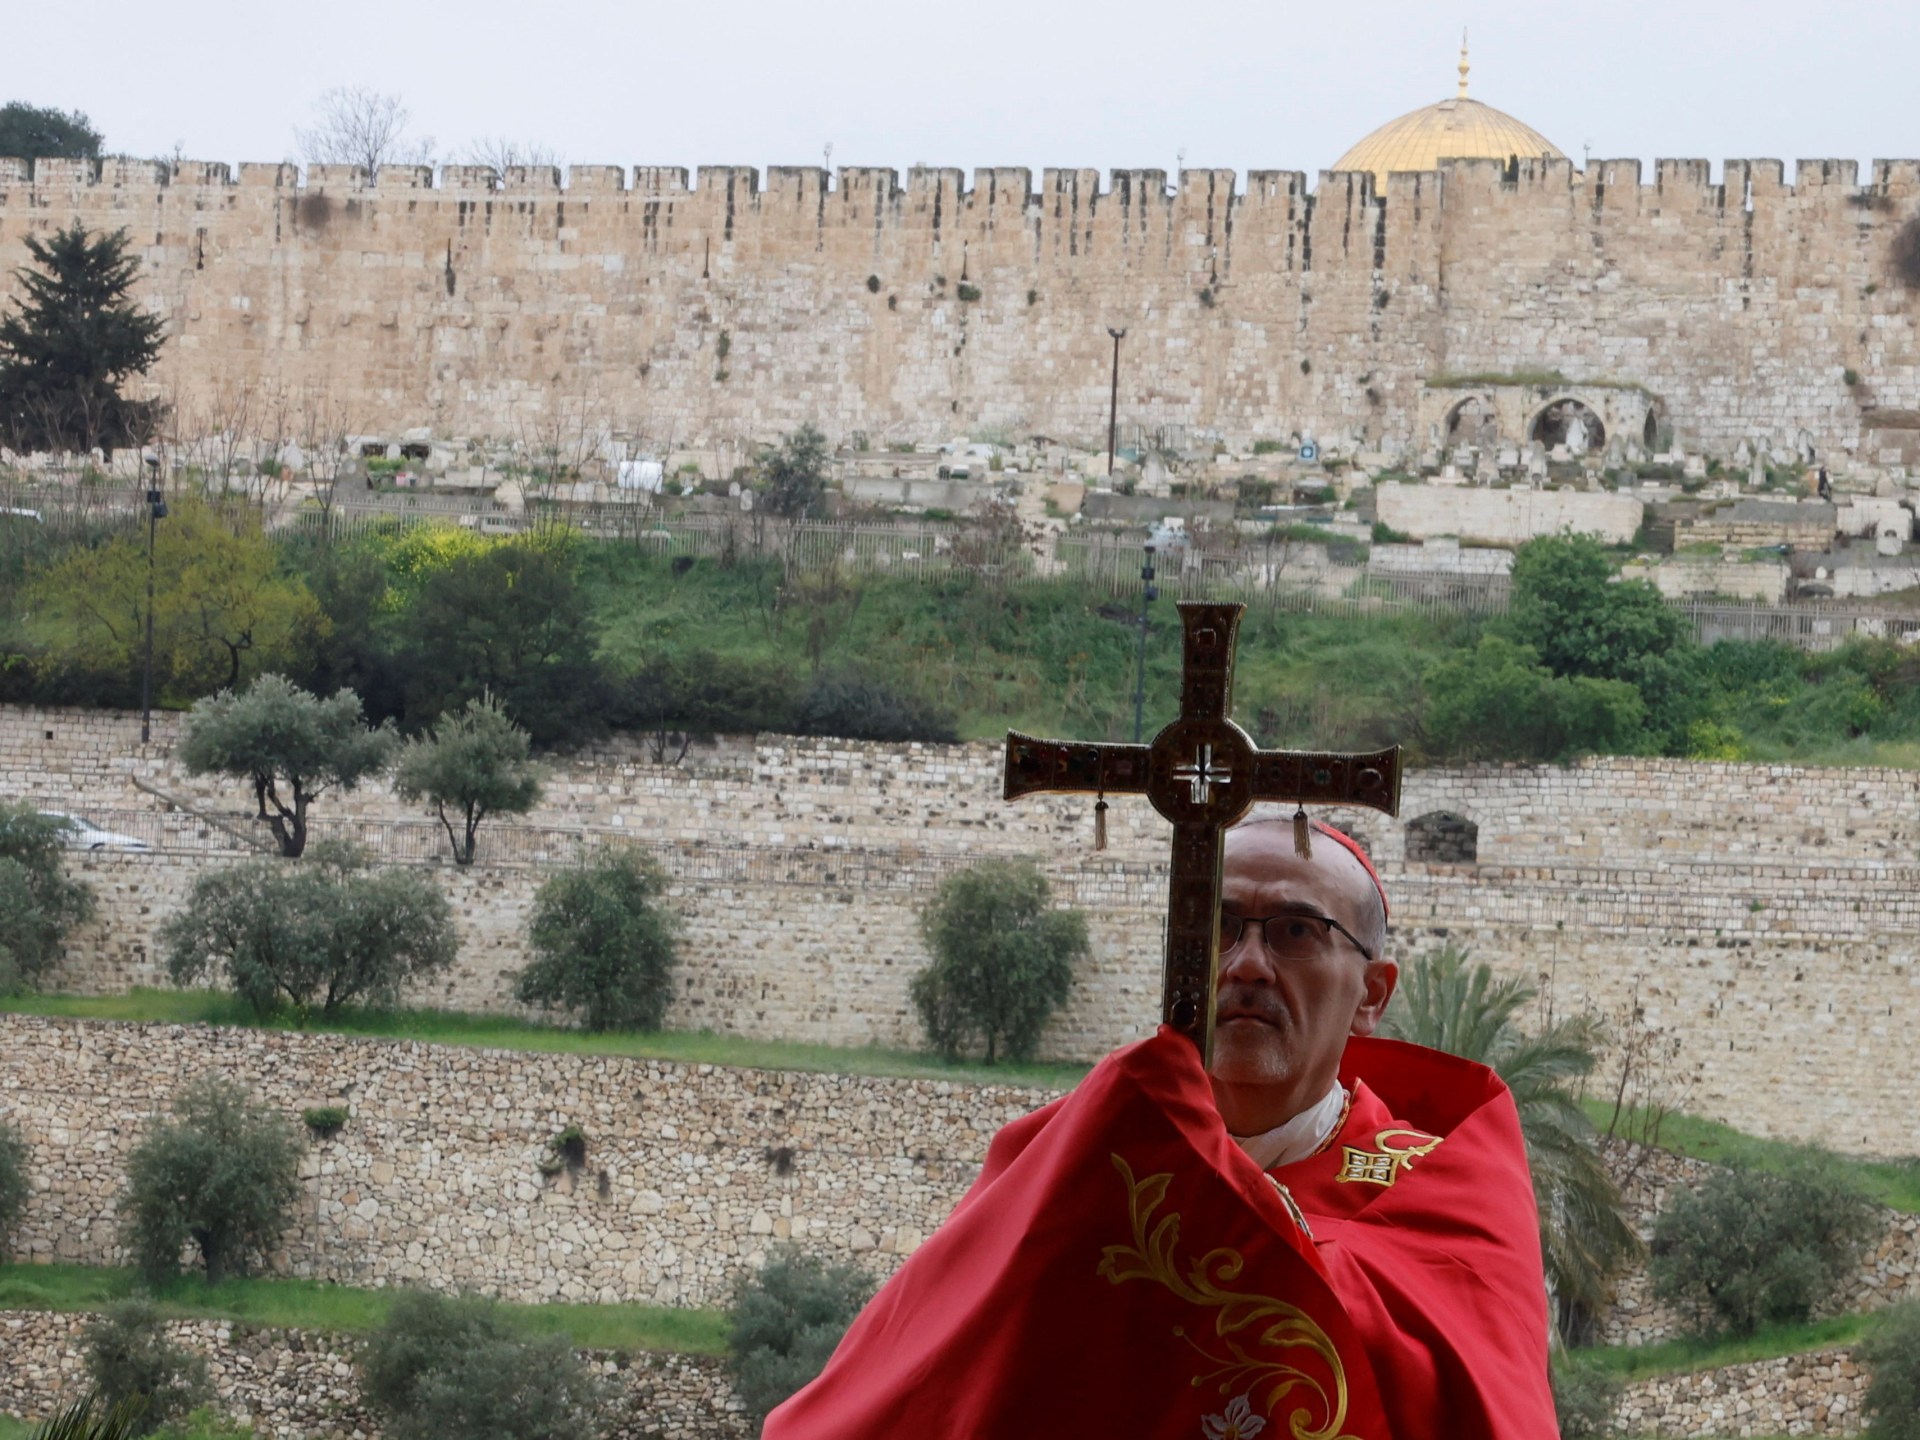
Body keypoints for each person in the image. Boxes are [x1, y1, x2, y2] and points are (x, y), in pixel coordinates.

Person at [765, 818, 1556, 1439]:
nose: (1245, 964)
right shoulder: (1073, 1161)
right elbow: (933, 1388)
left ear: (1373, 993)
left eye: (1294, 931)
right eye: (1217, 927)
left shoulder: (1448, 1187)